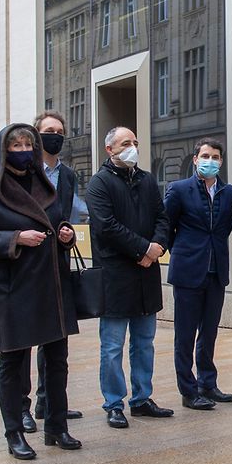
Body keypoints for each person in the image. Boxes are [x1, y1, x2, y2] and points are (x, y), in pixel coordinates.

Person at [0, 123, 82, 458]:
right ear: (3, 150)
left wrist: (65, 234)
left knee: (57, 360)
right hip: (15, 287)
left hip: (52, 285)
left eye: (28, 143)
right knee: (14, 362)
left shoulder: (44, 185)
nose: (23, 149)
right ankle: (14, 432)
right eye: (15, 144)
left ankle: (57, 426)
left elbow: (58, 221)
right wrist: (15, 239)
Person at [86, 126, 173, 428]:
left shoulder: (147, 180)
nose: (132, 147)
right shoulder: (99, 183)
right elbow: (106, 227)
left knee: (144, 342)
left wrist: (157, 246)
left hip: (146, 276)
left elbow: (162, 217)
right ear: (109, 149)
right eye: (126, 143)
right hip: (116, 275)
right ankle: (113, 402)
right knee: (112, 346)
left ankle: (142, 398)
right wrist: (143, 249)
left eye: (135, 142)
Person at [19, 110, 87, 432]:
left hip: (58, 265)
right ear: (36, 135)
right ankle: (23, 407)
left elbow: (67, 217)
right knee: (24, 341)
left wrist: (67, 233)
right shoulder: (23, 173)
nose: (56, 136)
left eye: (60, 130)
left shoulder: (69, 176)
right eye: (49, 130)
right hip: (28, 266)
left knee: (56, 340)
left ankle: (50, 402)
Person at [163, 138, 232, 410]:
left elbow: (224, 228)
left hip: (216, 271)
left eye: (216, 156)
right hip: (187, 272)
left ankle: (209, 383)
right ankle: (188, 390)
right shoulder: (178, 190)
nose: (211, 160)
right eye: (205, 155)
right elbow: (167, 227)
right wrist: (183, 252)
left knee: (209, 332)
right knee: (185, 335)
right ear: (195, 159)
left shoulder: (229, 193)